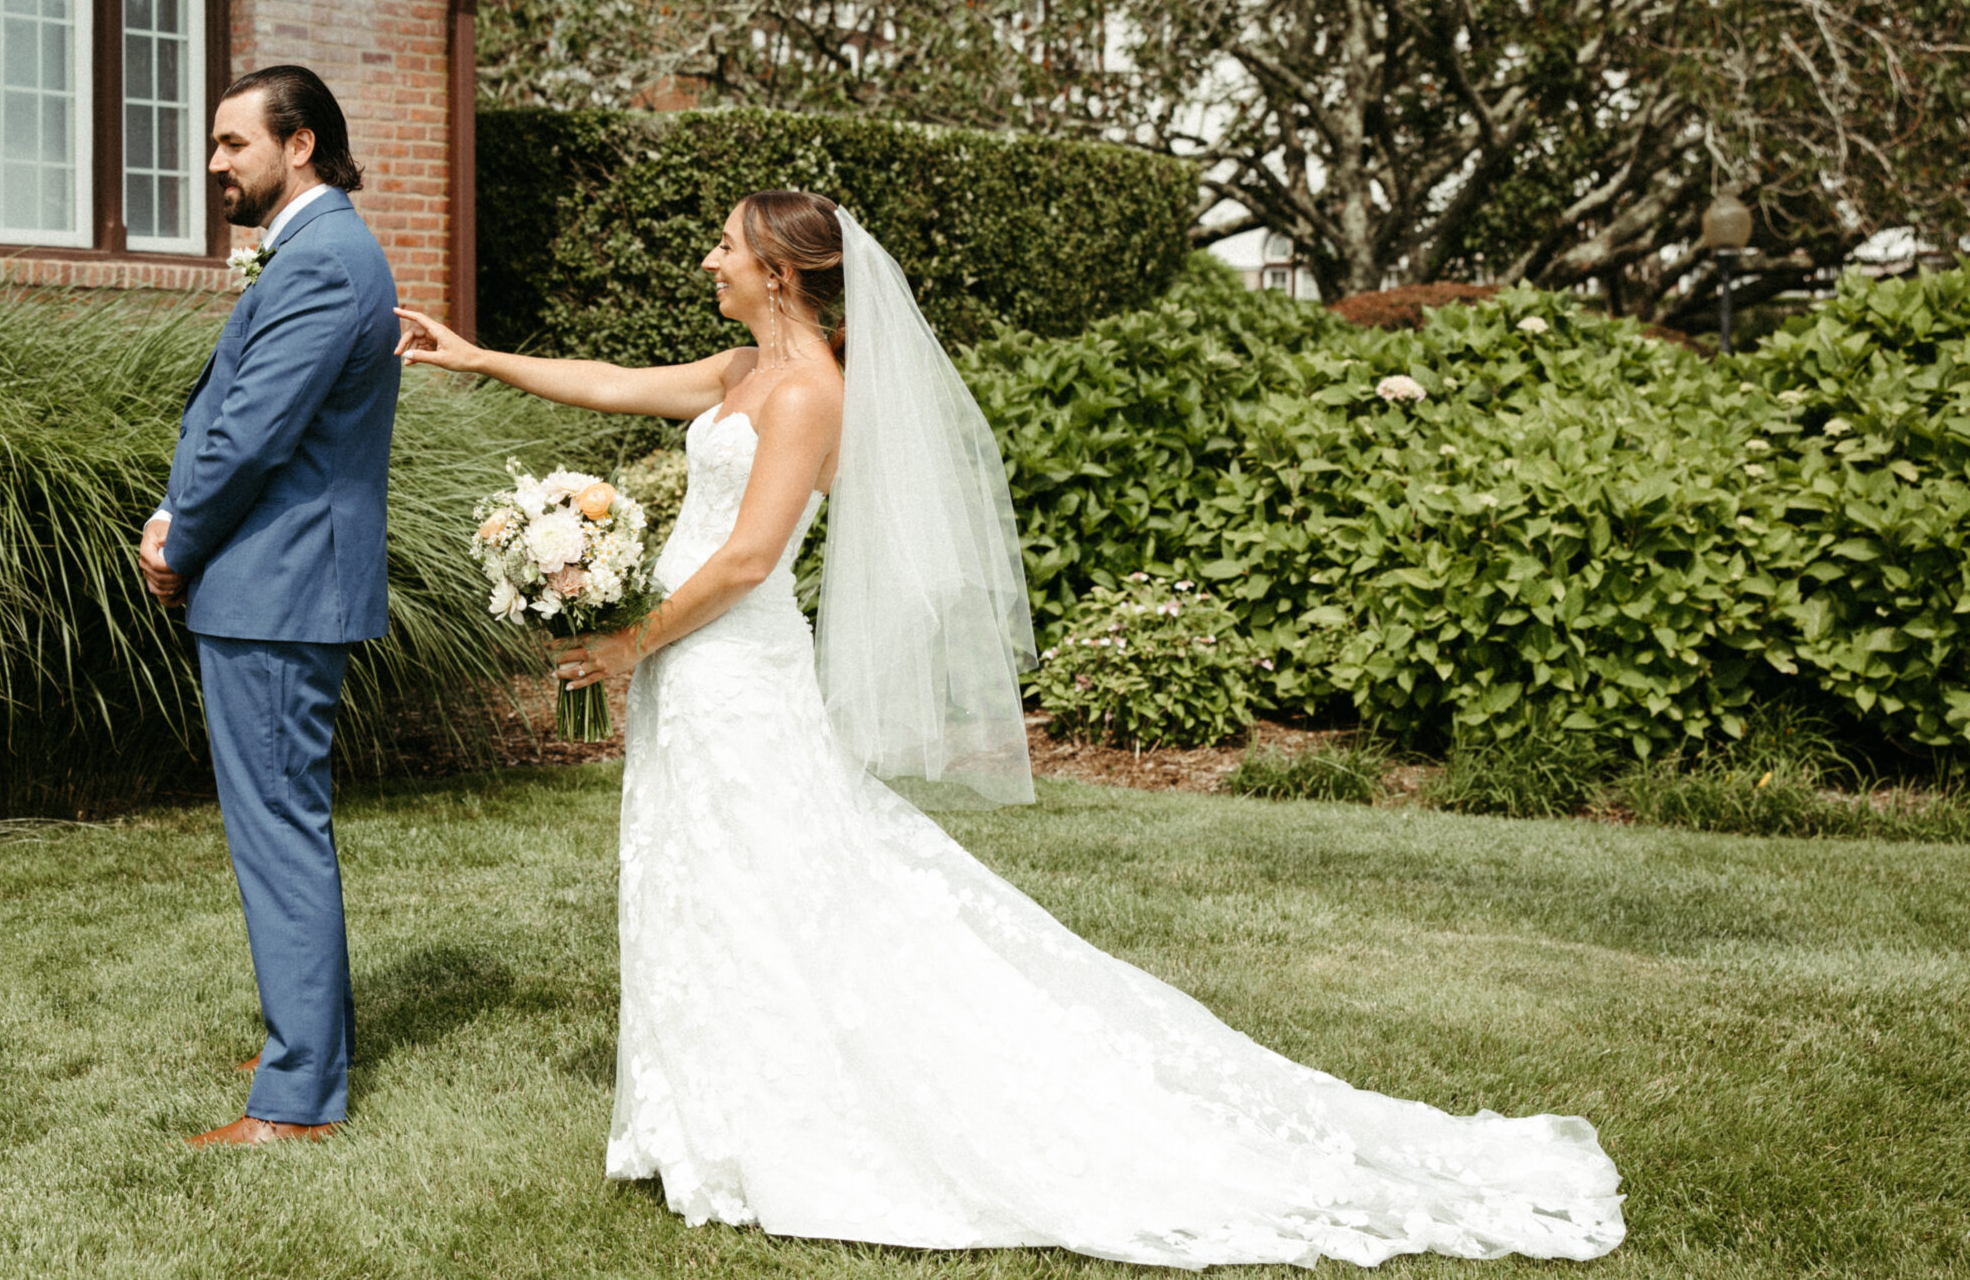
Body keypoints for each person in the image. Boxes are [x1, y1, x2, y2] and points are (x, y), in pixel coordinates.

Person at [393, 189, 1624, 1266]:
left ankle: (794, 1123)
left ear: (777, 271)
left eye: (723, 247)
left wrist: (624, 642)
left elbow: (752, 557)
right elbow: (611, 385)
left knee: (771, 880)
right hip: (694, 676)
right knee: (711, 883)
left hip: (734, 668)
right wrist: (476, 355)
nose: (706, 262)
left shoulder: (810, 392)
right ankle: (703, 1116)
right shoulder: (740, 374)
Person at [141, 65, 398, 1148]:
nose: (215, 164)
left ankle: (297, 1097)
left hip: (278, 590)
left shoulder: (326, 262)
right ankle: (307, 1040)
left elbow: (252, 430)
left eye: (233, 143)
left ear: (299, 146)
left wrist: (178, 537)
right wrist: (174, 513)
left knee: (279, 831)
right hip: (272, 585)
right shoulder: (313, 253)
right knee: (277, 825)